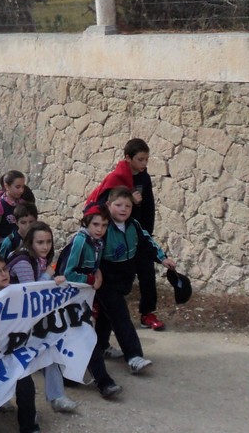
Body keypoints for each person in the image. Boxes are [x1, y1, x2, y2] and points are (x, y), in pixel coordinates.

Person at [97, 187, 177, 374]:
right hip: (106, 282)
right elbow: (90, 250)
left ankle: (100, 347)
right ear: (108, 205)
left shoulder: (133, 226)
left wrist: (162, 258)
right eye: (118, 205)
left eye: (128, 206)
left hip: (124, 280)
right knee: (121, 317)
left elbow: (147, 242)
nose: (123, 209)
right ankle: (134, 356)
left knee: (106, 315)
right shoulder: (103, 227)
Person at [88, 139, 164, 331]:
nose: (144, 163)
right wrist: (130, 200)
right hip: (114, 238)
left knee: (147, 273)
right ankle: (98, 308)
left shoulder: (144, 178)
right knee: (111, 278)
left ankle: (147, 313)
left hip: (136, 234)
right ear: (128, 158)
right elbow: (102, 206)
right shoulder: (115, 179)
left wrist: (147, 235)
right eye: (140, 159)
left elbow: (148, 207)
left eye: (146, 159)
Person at [5, 223, 79, 413]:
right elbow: (32, 292)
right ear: (30, 242)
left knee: (48, 349)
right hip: (13, 322)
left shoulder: (38, 259)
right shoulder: (24, 262)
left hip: (27, 319)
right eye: (40, 242)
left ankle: (57, 396)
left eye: (48, 242)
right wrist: (48, 276)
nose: (45, 247)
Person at [0, 252, 48, 433]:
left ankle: (29, 427)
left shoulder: (17, 292)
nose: (3, 274)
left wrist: (56, 283)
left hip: (13, 350)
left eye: (5, 269)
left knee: (25, 384)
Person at [60, 204, 122, 399]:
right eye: (96, 224)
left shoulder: (97, 243)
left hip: (82, 300)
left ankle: (68, 376)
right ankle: (104, 383)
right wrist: (90, 279)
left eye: (104, 225)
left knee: (79, 337)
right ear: (86, 222)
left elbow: (94, 265)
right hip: (68, 300)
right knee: (86, 337)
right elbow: (67, 273)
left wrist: (97, 272)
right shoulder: (80, 241)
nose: (100, 229)